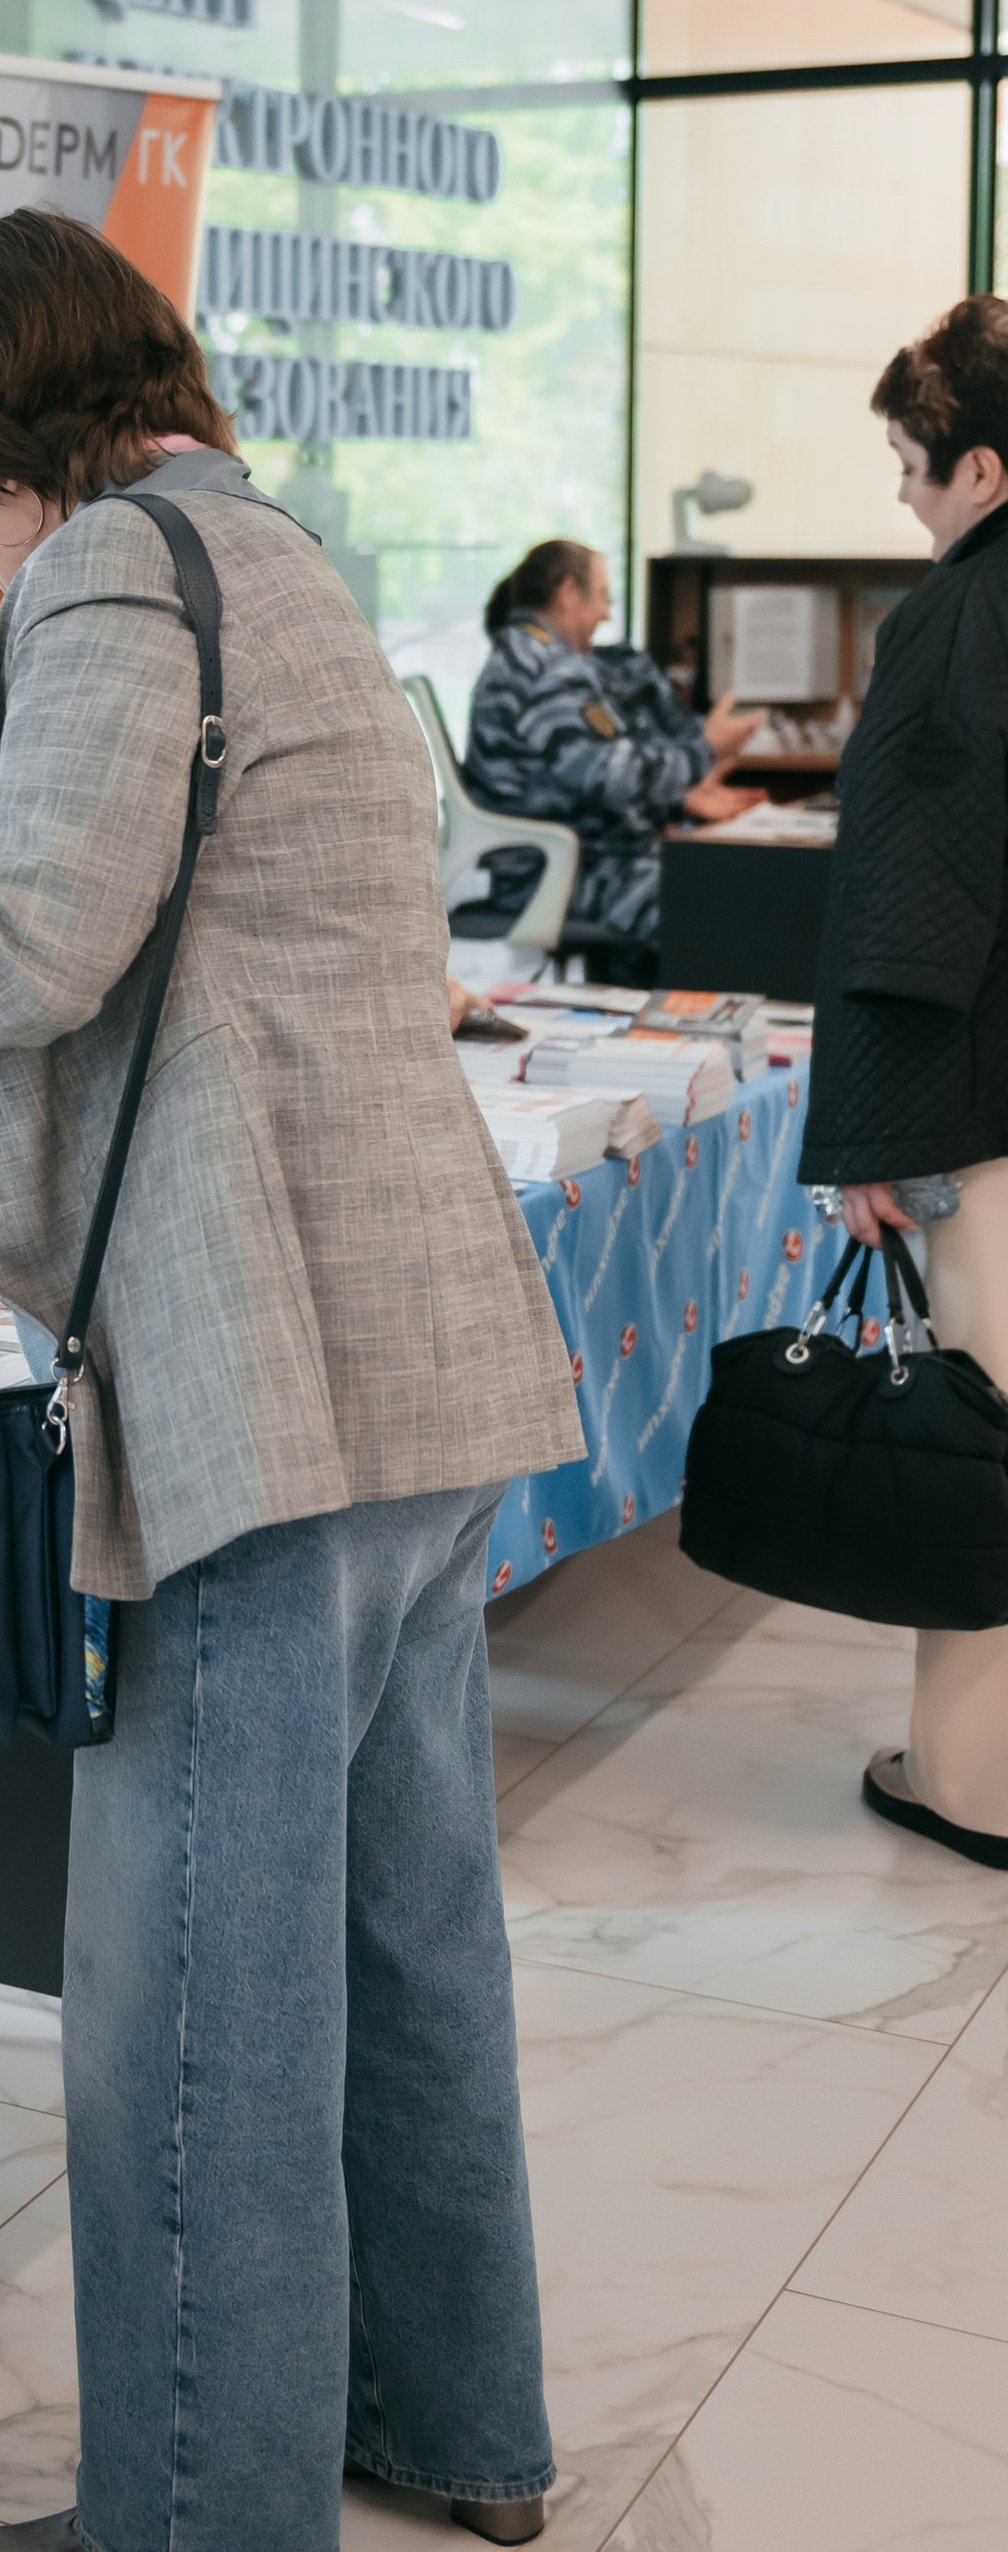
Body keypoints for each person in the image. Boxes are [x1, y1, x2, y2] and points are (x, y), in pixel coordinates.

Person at [0, 208, 583, 2552]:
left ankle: (200, 2519)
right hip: (417, 1340)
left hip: (252, 1355)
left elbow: (38, 948)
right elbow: (192, 897)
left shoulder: (95, 566)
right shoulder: (268, 549)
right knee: (405, 1930)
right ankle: (453, 2424)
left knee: (196, 1971)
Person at [801, 297, 1008, 1869]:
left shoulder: (956, 619)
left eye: (910, 460)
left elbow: (908, 901)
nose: (901, 490)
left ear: (981, 471)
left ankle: (978, 1780)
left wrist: (866, 1136)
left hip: (988, 1101)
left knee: (986, 1439)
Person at [462, 537, 761, 968]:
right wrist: (704, 749)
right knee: (714, 903)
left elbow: (587, 774)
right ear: (568, 593)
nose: (605, 613)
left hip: (574, 862)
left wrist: (676, 801)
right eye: (602, 597)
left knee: (716, 882)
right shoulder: (545, 670)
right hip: (558, 873)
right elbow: (612, 778)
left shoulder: (529, 656)